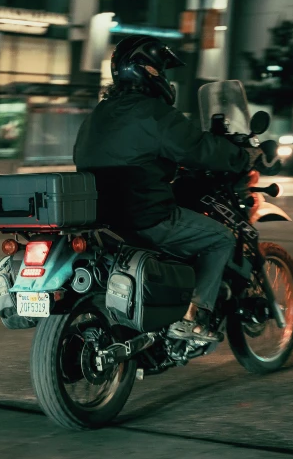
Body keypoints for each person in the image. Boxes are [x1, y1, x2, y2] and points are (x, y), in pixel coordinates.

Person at [74, 35, 265, 342]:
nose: (164, 77)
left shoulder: (100, 113)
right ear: (147, 71)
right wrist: (242, 156)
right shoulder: (154, 113)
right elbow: (198, 148)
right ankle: (193, 316)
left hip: (102, 217)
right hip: (145, 215)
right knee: (220, 239)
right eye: (161, 70)